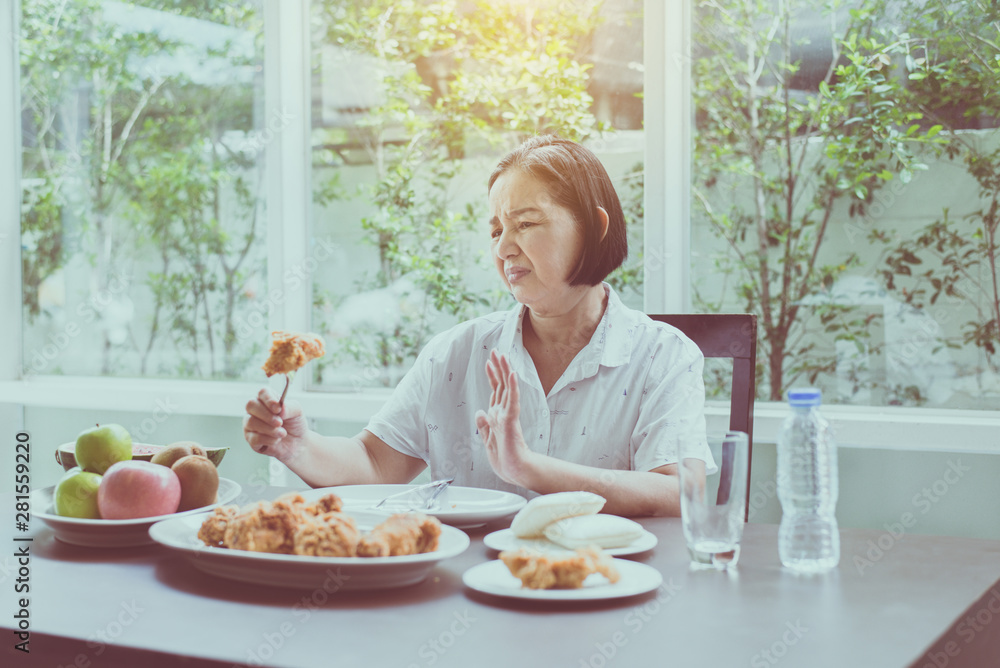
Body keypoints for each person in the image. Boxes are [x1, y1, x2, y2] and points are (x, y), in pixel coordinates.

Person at [243, 135, 710, 516]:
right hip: (469, 586)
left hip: (603, 586)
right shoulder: (457, 352)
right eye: (496, 231)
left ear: (594, 228)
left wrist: (531, 468)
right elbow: (374, 463)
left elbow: (680, 492)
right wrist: (298, 447)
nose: (504, 248)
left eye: (525, 224)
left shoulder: (663, 356)